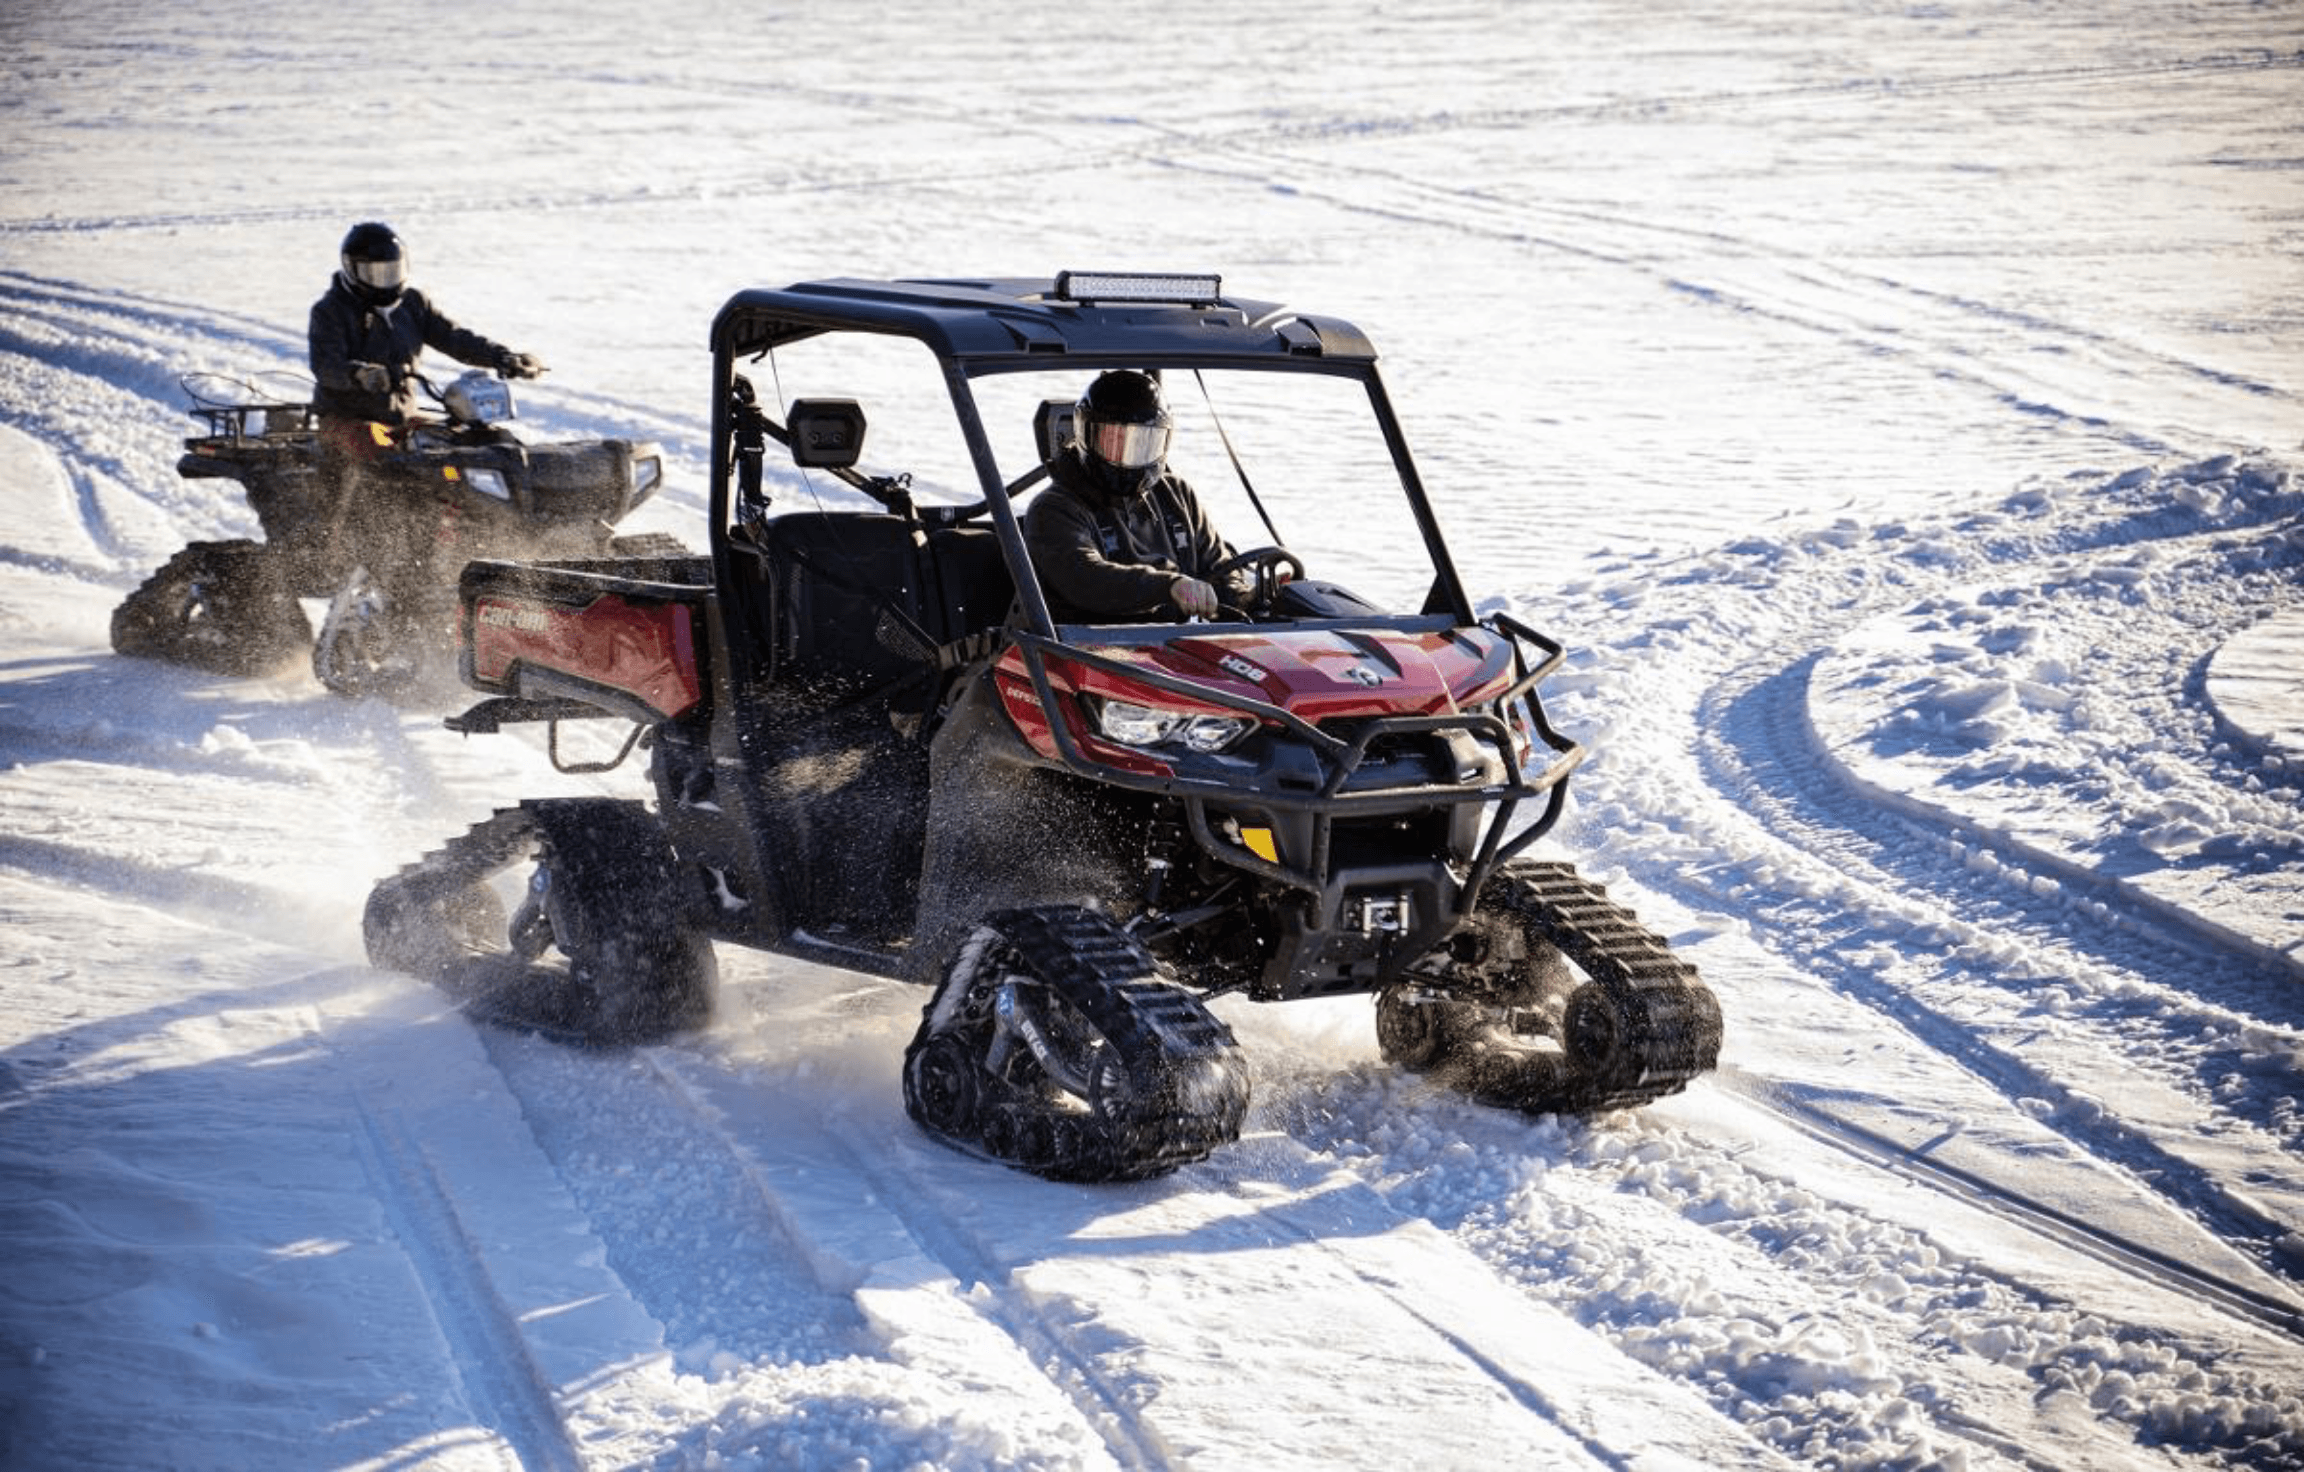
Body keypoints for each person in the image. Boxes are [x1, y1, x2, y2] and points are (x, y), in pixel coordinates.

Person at [1022, 369, 1256, 623]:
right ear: (1085, 436)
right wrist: (1168, 587)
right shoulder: (1053, 509)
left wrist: (1250, 598)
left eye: (1143, 444)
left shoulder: (1177, 494)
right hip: (1093, 647)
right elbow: (1086, 579)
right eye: (1114, 443)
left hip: (1177, 644)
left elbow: (1220, 567)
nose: (1128, 458)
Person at [307, 220, 546, 452]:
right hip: (346, 420)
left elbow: (454, 338)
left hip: (403, 417)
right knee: (378, 447)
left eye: (392, 271)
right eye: (375, 274)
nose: (385, 281)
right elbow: (326, 365)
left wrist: (502, 357)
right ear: (351, 270)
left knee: (470, 444)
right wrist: (359, 374)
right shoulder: (330, 312)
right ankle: (357, 494)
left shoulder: (413, 304)